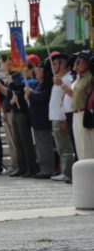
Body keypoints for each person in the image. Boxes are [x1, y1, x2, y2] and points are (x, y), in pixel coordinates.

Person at [58, 50, 94, 160]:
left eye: (79, 61)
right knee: (79, 146)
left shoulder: (90, 77)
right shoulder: (78, 78)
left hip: (85, 113)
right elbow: (73, 94)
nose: (76, 64)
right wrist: (62, 84)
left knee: (87, 145)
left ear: (87, 63)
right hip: (75, 114)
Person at [25, 59, 54, 178]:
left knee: (45, 145)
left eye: (39, 70)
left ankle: (48, 169)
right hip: (36, 119)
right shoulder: (37, 84)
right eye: (36, 70)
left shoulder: (47, 84)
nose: (36, 72)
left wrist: (30, 93)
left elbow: (41, 98)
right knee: (40, 146)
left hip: (43, 120)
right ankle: (43, 169)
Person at [48, 53, 75, 182]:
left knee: (65, 147)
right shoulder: (58, 79)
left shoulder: (67, 79)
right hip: (55, 117)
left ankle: (67, 172)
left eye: (55, 64)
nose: (52, 67)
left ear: (63, 65)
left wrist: (64, 120)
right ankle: (64, 171)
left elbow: (67, 101)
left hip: (61, 118)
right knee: (60, 147)